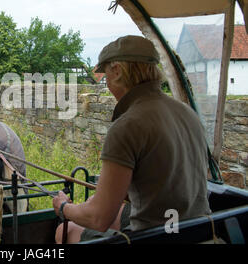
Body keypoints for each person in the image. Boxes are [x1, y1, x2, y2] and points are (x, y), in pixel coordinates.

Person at [52, 35, 211, 243]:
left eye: (106, 74)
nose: (106, 82)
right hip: (197, 230)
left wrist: (64, 207)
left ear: (117, 71)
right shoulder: (187, 113)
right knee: (108, 207)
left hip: (157, 236)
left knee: (67, 229)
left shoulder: (127, 126)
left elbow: (98, 218)